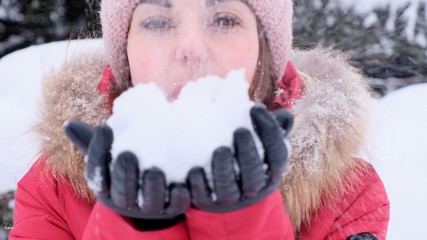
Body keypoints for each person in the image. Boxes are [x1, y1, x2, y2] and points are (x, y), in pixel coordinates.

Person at [10, 0, 390, 239]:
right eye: (157, 21)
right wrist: (133, 230)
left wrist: (244, 225)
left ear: (265, 50)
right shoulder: (52, 192)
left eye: (224, 19)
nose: (190, 49)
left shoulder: (346, 196)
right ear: (124, 51)